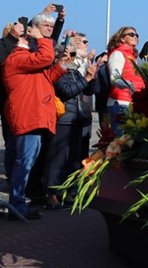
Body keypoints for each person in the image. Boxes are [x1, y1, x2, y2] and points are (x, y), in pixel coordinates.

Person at [2, 18, 68, 220]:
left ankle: (18, 203)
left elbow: (46, 76)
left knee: (26, 162)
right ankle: (17, 205)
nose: (33, 41)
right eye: (29, 38)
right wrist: (41, 39)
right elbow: (45, 58)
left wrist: (62, 65)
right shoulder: (16, 58)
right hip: (29, 116)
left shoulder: (25, 61)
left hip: (34, 116)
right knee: (24, 162)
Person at [44, 33, 98, 209]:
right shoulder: (58, 70)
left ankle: (71, 193)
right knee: (58, 159)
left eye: (74, 55)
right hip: (63, 119)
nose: (72, 59)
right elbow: (66, 91)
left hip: (77, 119)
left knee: (75, 159)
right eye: (70, 55)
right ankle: (52, 193)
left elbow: (89, 91)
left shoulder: (74, 72)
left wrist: (91, 77)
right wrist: (86, 79)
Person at [105, 26, 145, 134]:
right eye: (131, 34)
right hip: (121, 103)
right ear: (122, 38)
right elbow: (115, 78)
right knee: (121, 141)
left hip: (131, 101)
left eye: (136, 35)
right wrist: (130, 86)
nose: (135, 37)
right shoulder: (118, 54)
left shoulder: (133, 56)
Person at [1, 20, 25, 183]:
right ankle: (11, 174)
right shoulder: (8, 56)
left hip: (18, 101)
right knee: (11, 140)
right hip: (7, 101)